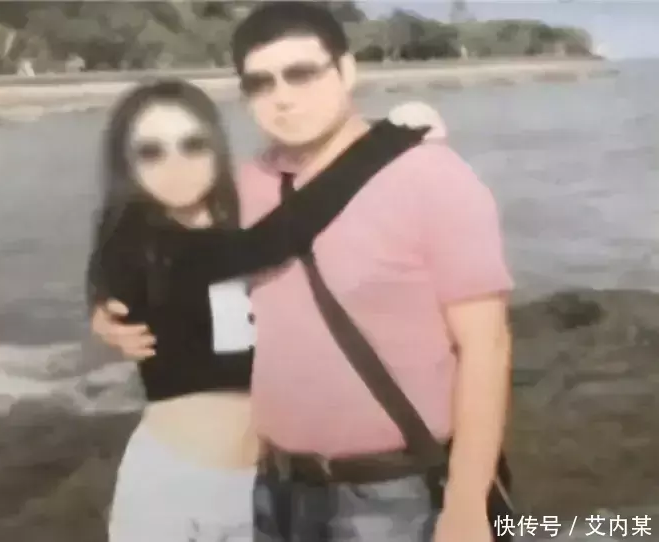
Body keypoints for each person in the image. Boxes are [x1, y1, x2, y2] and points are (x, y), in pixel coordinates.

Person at [93, 2, 513, 541]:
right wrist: (103, 304)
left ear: (347, 70)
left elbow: (487, 344)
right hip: (275, 489)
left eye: (302, 73)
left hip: (394, 492)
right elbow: (167, 241)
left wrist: (468, 501)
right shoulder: (243, 189)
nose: (283, 96)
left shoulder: (432, 176)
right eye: (261, 83)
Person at [88, 78, 421, 542]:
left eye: (192, 144)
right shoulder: (138, 242)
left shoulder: (239, 213)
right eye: (150, 151)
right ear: (126, 164)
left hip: (264, 489)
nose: (175, 164)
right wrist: (386, 140)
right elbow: (276, 239)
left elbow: (302, 194)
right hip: (173, 488)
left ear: (216, 146)